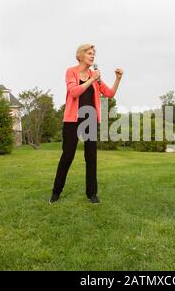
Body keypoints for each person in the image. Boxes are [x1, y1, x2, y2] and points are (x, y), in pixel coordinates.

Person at [50, 44, 124, 204]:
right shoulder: (72, 72)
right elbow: (74, 92)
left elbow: (110, 94)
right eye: (89, 53)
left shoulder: (95, 76)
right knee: (67, 155)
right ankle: (56, 191)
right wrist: (91, 80)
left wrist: (118, 79)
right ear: (81, 55)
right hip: (72, 119)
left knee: (91, 156)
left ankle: (92, 194)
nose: (92, 56)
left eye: (93, 54)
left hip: (90, 119)